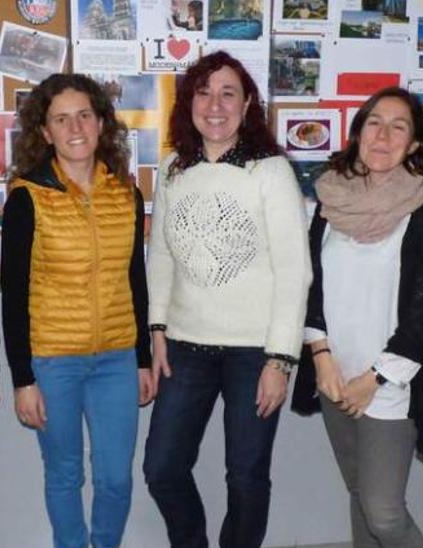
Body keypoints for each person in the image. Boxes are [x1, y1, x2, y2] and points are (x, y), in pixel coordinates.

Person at [143, 51, 312, 548]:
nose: (214, 105)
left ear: (247, 103)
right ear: (188, 103)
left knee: (246, 476)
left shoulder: (270, 171)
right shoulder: (174, 167)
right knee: (162, 467)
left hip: (254, 352)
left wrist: (280, 359)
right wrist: (157, 330)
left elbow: (294, 272)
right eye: (203, 92)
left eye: (228, 93)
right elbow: (162, 259)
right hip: (185, 348)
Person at [290, 87, 423, 548]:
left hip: (388, 386)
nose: (383, 135)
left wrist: (375, 379)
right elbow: (311, 282)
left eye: (398, 126)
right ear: (358, 131)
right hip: (334, 377)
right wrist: (320, 355)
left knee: (383, 512)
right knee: (360, 493)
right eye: (374, 122)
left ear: (415, 143)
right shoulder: (331, 199)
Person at [1, 72, 154, 548]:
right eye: (61, 119)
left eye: (84, 115)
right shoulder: (27, 197)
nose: (75, 128)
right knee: (64, 475)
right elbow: (14, 294)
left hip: (116, 359)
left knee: (115, 478)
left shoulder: (126, 194)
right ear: (44, 132)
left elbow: (136, 278)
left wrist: (143, 358)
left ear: (101, 123)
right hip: (53, 362)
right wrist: (22, 379)